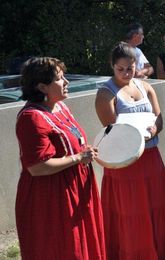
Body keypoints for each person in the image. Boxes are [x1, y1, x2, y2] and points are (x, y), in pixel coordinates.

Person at [95, 42, 165, 260]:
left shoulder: (146, 87)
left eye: (131, 68)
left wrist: (156, 127)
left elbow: (160, 117)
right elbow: (112, 132)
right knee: (133, 218)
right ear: (112, 66)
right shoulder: (105, 94)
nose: (127, 73)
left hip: (151, 160)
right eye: (121, 69)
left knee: (158, 211)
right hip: (125, 165)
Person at [15, 57, 105, 259]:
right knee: (64, 248)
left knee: (84, 244)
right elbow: (37, 166)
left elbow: (72, 144)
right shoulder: (31, 118)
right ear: (42, 87)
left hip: (76, 187)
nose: (66, 82)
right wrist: (78, 157)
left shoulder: (60, 107)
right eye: (59, 78)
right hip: (51, 197)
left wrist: (83, 152)